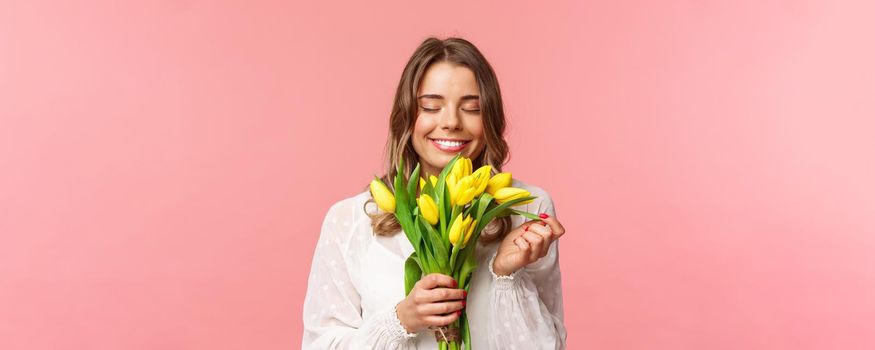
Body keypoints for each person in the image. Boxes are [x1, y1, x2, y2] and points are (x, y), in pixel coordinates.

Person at [302, 37, 568, 349]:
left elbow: (550, 345)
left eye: (472, 108)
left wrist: (505, 275)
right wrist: (401, 320)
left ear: (490, 118)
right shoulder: (351, 220)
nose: (452, 122)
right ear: (407, 116)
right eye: (431, 106)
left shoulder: (526, 208)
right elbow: (320, 345)